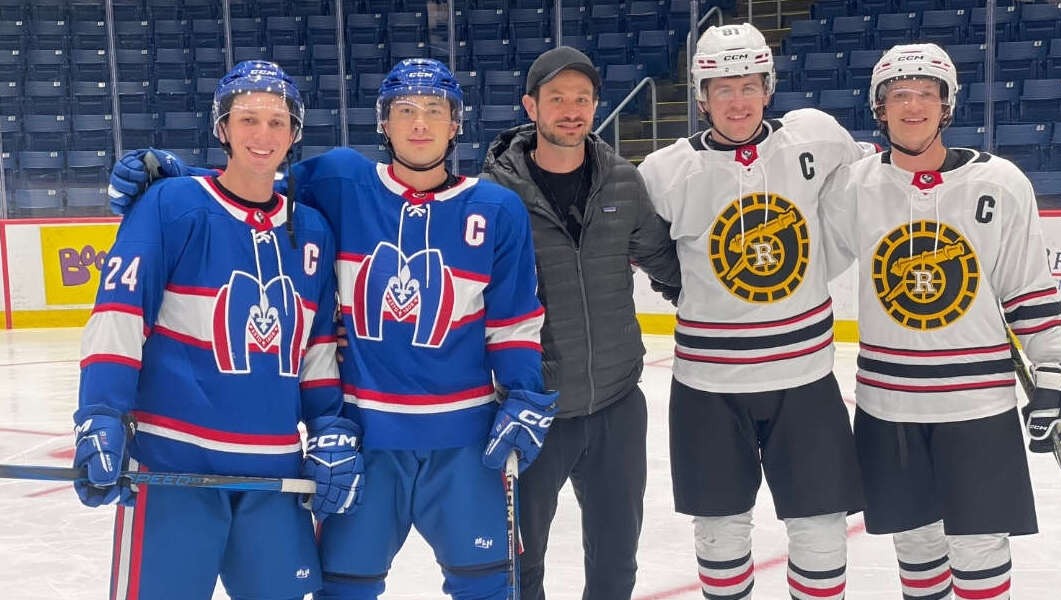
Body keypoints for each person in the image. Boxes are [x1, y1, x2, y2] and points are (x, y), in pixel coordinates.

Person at [104, 57, 557, 600]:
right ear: (382, 122)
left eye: (434, 111)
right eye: (405, 111)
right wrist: (175, 181)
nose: (419, 124)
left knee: (489, 588)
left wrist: (524, 393)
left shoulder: (497, 209)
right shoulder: (342, 180)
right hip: (364, 440)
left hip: (464, 440)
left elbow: (511, 323)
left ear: (456, 123)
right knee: (344, 589)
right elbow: (253, 181)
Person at [73, 60, 364, 600]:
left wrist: (328, 425)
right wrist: (101, 413)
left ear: (295, 134)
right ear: (222, 128)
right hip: (172, 467)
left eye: (278, 122)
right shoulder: (171, 206)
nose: (264, 134)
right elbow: (118, 314)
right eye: (248, 119)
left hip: (274, 474)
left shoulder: (314, 231)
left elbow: (317, 348)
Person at [820, 43, 1061, 600]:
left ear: (947, 105)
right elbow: (804, 265)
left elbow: (1027, 290)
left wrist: (1056, 372)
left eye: (926, 93)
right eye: (899, 94)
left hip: (977, 404)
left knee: (980, 549)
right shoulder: (853, 188)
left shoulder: (1001, 183)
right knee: (916, 547)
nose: (912, 105)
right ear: (880, 107)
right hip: (887, 403)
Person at [636, 23, 873, 599]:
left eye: (748, 85)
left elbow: (875, 187)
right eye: (721, 88)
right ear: (701, 97)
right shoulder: (663, 172)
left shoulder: (815, 137)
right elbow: (640, 250)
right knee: (718, 535)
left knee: (820, 532)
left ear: (768, 88)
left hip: (805, 377)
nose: (736, 101)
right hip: (708, 383)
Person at [481, 46, 681, 600]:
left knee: (616, 563)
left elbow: (666, 263)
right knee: (523, 566)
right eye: (557, 99)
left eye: (583, 99)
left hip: (616, 406)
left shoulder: (621, 180)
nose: (571, 111)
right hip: (531, 411)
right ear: (531, 106)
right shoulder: (494, 195)